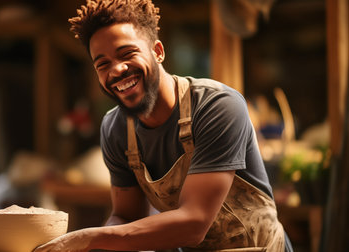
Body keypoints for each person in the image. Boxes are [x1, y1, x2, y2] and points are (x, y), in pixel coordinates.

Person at [35, 0, 293, 251]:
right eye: (103, 64)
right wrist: (97, 246)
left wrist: (87, 238)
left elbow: (194, 222)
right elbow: (126, 218)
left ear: (158, 51)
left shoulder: (217, 106)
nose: (117, 70)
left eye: (127, 53)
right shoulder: (115, 129)